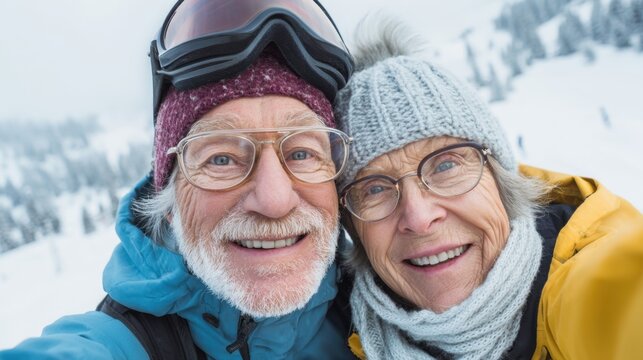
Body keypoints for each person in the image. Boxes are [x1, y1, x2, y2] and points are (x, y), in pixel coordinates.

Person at [0, 1, 356, 359]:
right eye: (222, 159)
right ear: (170, 204)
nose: (275, 200)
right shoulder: (115, 345)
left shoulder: (386, 314)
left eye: (301, 154)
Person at [334, 20, 643, 360]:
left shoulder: (602, 284)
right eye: (374, 189)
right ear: (353, 229)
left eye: (446, 165)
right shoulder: (342, 338)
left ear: (500, 177)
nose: (419, 218)